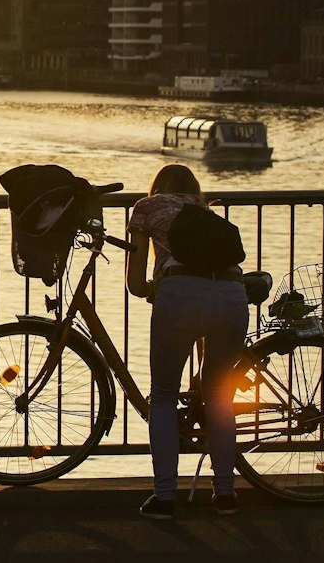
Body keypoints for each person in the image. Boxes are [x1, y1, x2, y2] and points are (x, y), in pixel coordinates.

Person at [124, 163, 247, 519]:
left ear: (156, 187)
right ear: (195, 189)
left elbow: (135, 282)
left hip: (179, 294)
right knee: (220, 394)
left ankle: (165, 498)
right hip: (232, 296)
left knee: (163, 395)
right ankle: (225, 494)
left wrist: (152, 289)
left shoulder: (146, 208)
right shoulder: (202, 211)